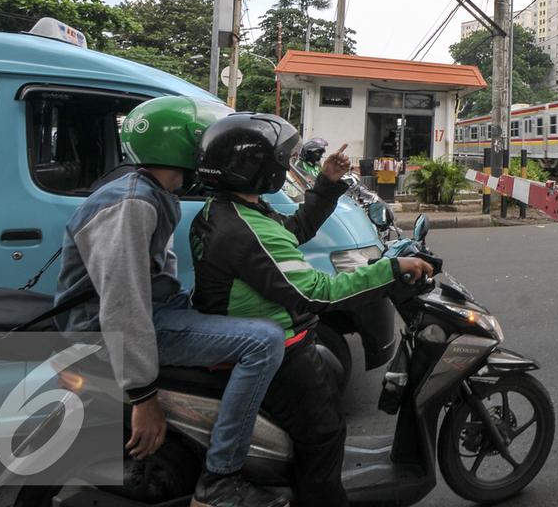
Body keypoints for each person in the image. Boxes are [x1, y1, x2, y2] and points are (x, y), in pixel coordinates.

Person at [190, 112, 435, 507]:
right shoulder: (245, 228)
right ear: (257, 168)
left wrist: (327, 183)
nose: (284, 166)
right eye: (280, 161)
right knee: (324, 432)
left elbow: (295, 230)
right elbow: (317, 293)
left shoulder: (232, 210)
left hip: (273, 332)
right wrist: (389, 271)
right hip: (279, 345)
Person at [53, 96, 288, 507]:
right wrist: (144, 398)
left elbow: (160, 274)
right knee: (262, 341)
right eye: (202, 140)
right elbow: (123, 303)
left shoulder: (154, 191)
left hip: (153, 311)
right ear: (182, 145)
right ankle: (221, 478)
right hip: (100, 328)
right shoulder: (133, 202)